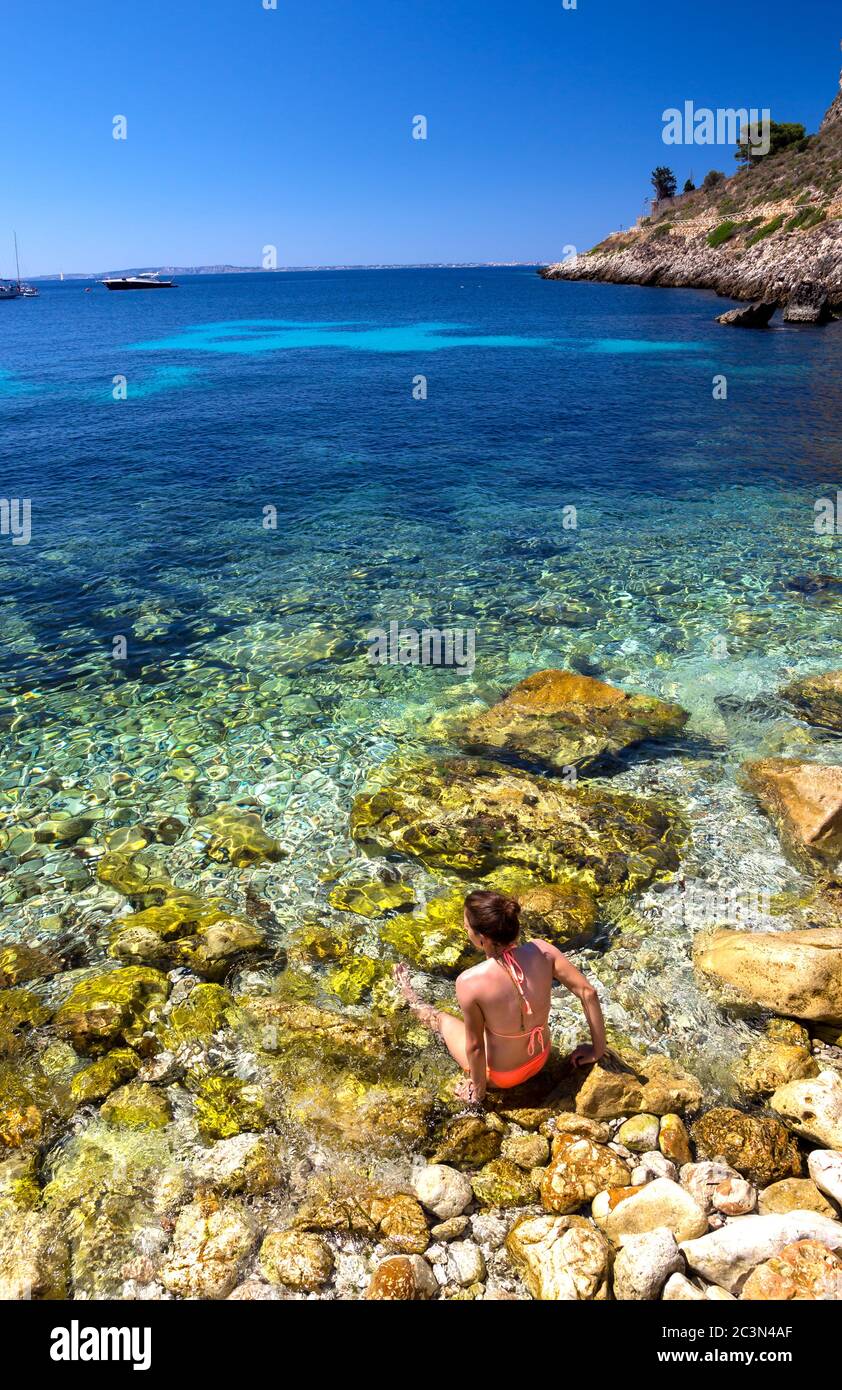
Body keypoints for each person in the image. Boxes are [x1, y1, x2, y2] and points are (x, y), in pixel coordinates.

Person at [395, 889, 606, 1107]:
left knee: (441, 1020)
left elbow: (475, 1047)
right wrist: (596, 1050)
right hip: (541, 1058)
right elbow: (588, 992)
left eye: (466, 926)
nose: (465, 929)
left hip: (501, 1077)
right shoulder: (543, 950)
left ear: (481, 938)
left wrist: (478, 1093)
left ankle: (409, 995)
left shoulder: (469, 981)